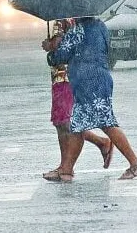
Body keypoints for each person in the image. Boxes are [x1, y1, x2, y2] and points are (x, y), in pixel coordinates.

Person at [42, 16, 137, 182]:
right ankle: (66, 170)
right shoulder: (100, 25)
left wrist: (50, 51)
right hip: (98, 77)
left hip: (89, 81)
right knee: (78, 125)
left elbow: (61, 56)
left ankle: (136, 164)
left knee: (106, 123)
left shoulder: (78, 30)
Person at [41, 19, 114, 182]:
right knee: (60, 123)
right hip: (59, 76)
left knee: (68, 122)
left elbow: (63, 45)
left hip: (69, 76)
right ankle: (65, 165)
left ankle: (68, 167)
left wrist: (50, 45)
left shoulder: (68, 19)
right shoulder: (65, 18)